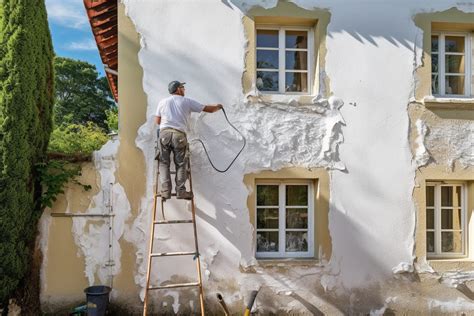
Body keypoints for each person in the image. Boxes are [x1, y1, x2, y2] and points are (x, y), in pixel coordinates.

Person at [155, 81, 223, 200]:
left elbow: (157, 121)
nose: (184, 90)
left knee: (163, 163)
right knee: (181, 164)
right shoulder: (187, 101)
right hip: (179, 135)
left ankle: (165, 191)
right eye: (183, 87)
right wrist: (218, 106)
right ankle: (181, 191)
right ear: (178, 89)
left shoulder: (162, 102)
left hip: (164, 134)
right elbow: (208, 109)